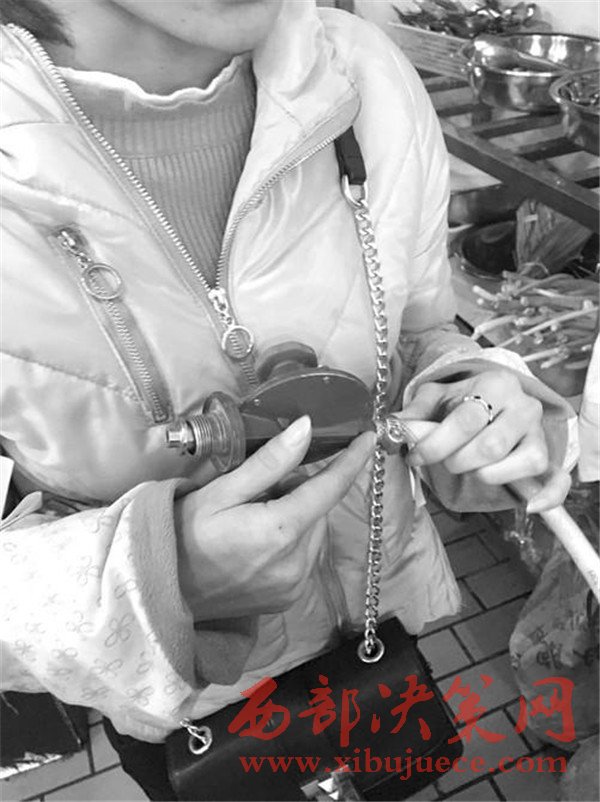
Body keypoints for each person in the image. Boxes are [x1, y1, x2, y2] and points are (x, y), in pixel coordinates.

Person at [0, 0, 577, 798]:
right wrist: (158, 581)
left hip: (377, 633)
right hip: (196, 709)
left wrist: (467, 397)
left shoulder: (361, 72)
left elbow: (420, 327)